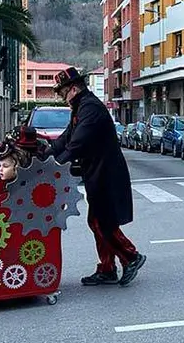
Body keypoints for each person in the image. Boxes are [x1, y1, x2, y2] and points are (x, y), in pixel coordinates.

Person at [51, 66, 145, 287]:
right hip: (97, 172)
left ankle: (131, 256)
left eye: (63, 92)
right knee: (98, 220)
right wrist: (45, 155)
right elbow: (66, 138)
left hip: (106, 173)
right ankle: (107, 268)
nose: (62, 97)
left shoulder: (90, 108)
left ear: (72, 89)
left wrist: (56, 165)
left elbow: (77, 144)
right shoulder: (81, 107)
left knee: (101, 221)